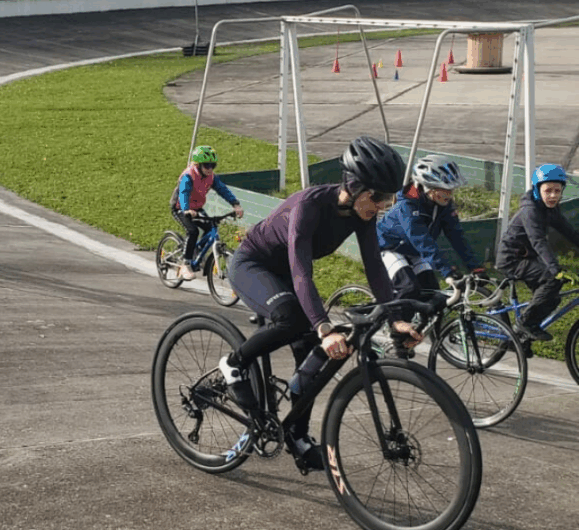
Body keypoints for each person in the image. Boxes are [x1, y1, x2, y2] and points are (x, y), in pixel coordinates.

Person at [220, 136, 422, 471]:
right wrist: (324, 327)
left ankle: (298, 438)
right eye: (379, 197)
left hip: (286, 273)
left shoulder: (362, 213)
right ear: (355, 187)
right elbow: (301, 272)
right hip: (253, 265)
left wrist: (395, 319)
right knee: (293, 320)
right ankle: (233, 364)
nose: (383, 205)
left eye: (389, 198)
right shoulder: (309, 206)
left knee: (311, 359)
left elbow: (374, 266)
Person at [375, 154, 487, 354]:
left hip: (414, 251)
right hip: (389, 248)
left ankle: (422, 331)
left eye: (451, 190)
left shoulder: (443, 205)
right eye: (445, 190)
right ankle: (398, 335)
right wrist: (447, 271)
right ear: (428, 187)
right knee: (408, 287)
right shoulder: (407, 205)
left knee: (432, 292)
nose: (449, 195)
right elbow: (422, 241)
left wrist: (474, 266)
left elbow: (457, 236)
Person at [495, 163, 579, 342]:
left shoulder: (550, 209)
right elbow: (538, 241)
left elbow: (570, 233)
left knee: (551, 299)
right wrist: (555, 269)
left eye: (557, 191)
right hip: (511, 259)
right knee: (551, 279)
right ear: (537, 189)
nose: (553, 195)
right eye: (548, 191)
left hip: (527, 257)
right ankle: (525, 324)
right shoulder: (530, 211)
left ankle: (519, 340)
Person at [169, 145, 244, 280]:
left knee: (211, 228)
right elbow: (184, 193)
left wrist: (235, 204)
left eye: (213, 166)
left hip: (197, 208)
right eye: (206, 165)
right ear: (197, 165)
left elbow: (222, 189)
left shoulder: (211, 177)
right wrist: (186, 209)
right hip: (180, 207)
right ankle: (185, 263)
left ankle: (197, 253)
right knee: (193, 231)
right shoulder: (188, 176)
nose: (210, 169)